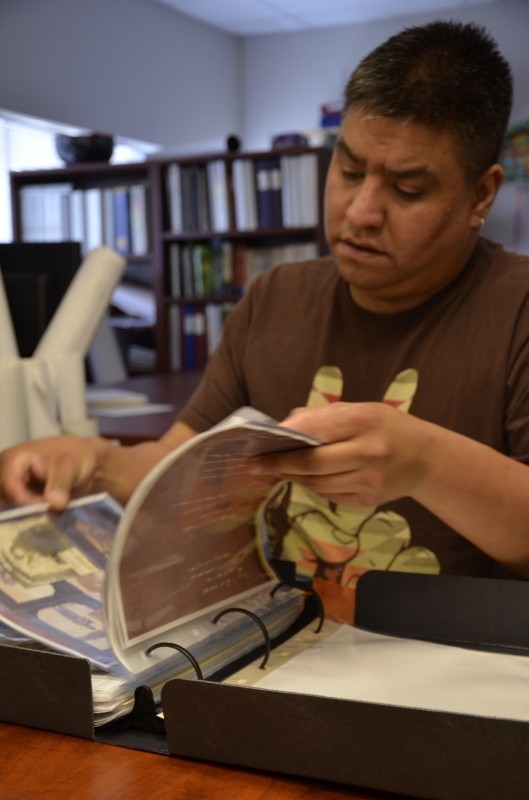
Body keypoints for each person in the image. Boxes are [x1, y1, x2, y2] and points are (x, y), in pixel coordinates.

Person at [2, 19, 529, 591]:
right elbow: (180, 464)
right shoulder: (276, 297)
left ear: (481, 195)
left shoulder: (517, 309)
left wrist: (428, 463)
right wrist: (93, 463)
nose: (360, 213)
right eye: (348, 171)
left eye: (407, 190)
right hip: (274, 641)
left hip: (450, 659)